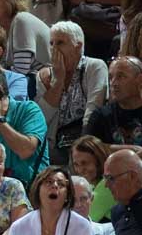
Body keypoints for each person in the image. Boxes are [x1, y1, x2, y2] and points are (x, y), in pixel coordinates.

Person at [31, 22, 108, 166]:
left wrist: (82, 147)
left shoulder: (95, 67)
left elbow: (94, 109)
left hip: (85, 139)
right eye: (51, 43)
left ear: (77, 46)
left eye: (60, 43)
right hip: (54, 144)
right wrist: (58, 81)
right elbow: (41, 119)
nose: (54, 49)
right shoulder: (44, 75)